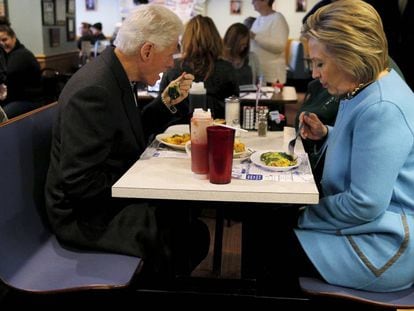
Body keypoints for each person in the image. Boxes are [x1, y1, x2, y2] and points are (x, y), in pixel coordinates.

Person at [249, 0, 414, 295]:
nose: (314, 73)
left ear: (350, 55)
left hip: (384, 246)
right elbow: (372, 148)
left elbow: (364, 203)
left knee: (267, 240)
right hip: (371, 228)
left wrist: (301, 213)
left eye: (319, 63)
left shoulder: (382, 106)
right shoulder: (365, 89)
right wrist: (327, 134)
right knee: (264, 227)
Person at [45, 4, 210, 284]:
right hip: (83, 216)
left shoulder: (116, 75)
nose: (171, 62)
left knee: (184, 220)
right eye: (169, 53)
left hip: (100, 201)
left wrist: (165, 102)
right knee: (185, 235)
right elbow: (81, 184)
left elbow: (128, 133)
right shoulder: (95, 90)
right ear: (146, 51)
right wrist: (145, 182)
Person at [143, 15, 239, 136]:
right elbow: (233, 106)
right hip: (216, 132)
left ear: (185, 39)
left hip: (174, 134)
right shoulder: (227, 69)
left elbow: (162, 105)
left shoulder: (173, 67)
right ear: (215, 38)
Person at [0, 23, 41, 119]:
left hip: (28, 101)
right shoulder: (6, 55)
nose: (1, 43)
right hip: (13, 98)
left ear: (13, 38)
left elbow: (6, 75)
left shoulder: (22, 55)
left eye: (4, 39)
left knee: (2, 116)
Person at [250, 0, 289, 85]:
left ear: (265, 1)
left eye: (254, 0)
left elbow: (279, 46)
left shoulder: (278, 18)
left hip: (272, 76)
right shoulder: (258, 19)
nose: (252, 2)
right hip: (260, 73)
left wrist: (256, 37)